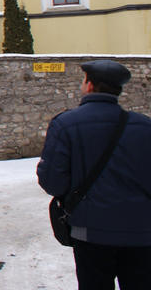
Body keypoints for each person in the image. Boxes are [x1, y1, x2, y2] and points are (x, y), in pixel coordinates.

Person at [37, 60, 151, 289]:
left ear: (89, 85)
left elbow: (53, 182)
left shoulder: (65, 124)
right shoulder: (145, 126)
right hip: (141, 232)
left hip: (90, 232)